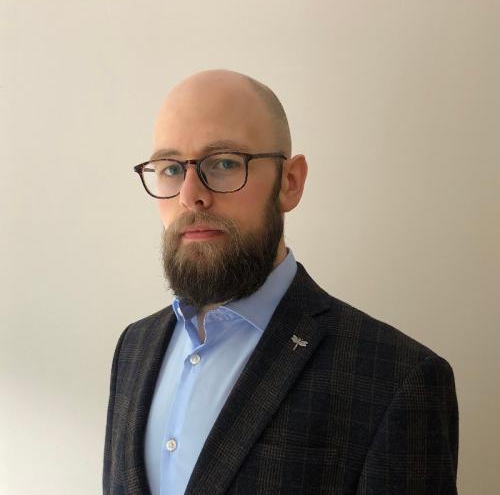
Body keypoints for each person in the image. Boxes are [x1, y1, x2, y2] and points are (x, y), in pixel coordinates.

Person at [103, 69, 458, 495]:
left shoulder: (397, 379)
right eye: (171, 168)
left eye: (224, 163)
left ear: (290, 182)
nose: (190, 195)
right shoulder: (134, 347)